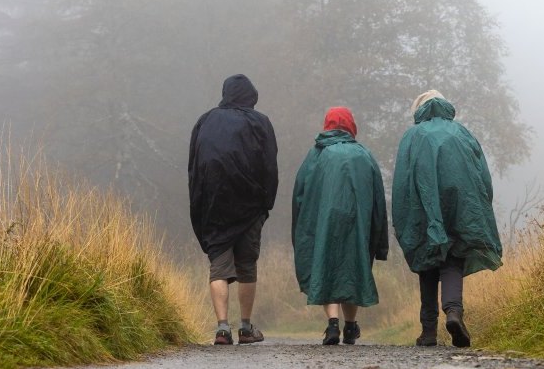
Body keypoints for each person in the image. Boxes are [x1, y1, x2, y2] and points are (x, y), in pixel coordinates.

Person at [392, 90, 502, 347]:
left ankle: (428, 331)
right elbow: (482, 173)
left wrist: (402, 216)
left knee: (427, 260)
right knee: (453, 258)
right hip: (463, 204)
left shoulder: (412, 135)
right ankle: (453, 312)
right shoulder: (462, 132)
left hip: (423, 204)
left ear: (418, 110)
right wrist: (483, 203)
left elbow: (401, 182)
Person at [188, 74, 279, 346]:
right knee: (247, 265)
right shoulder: (260, 122)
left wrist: (199, 204)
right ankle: (246, 327)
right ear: (251, 95)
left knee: (218, 266)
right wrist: (266, 204)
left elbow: (194, 167)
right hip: (250, 205)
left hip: (213, 204)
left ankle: (222, 328)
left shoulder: (205, 121)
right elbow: (270, 166)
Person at [291, 107, 389, 346]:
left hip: (322, 222)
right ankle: (351, 325)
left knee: (326, 266)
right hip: (358, 223)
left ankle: (332, 324)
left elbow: (299, 194)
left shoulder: (316, 154)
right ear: (350, 125)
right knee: (352, 269)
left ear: (328, 124)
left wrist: (300, 230)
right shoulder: (364, 155)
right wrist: (380, 239)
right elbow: (378, 198)